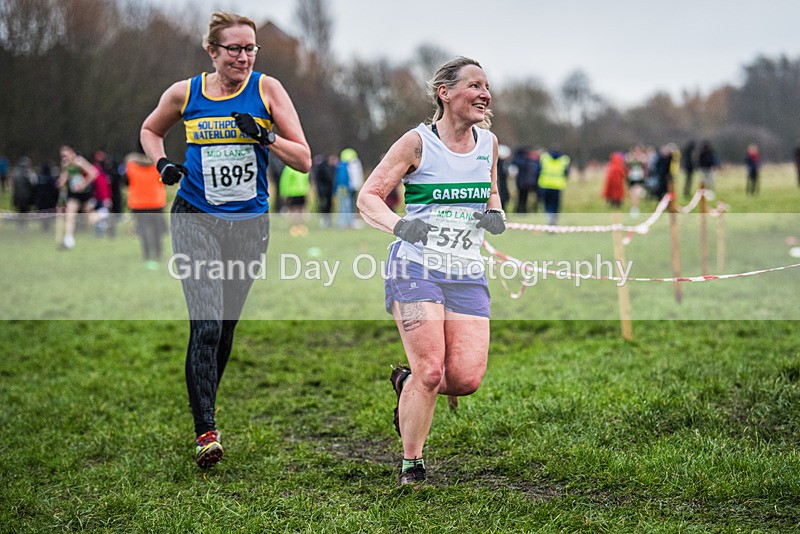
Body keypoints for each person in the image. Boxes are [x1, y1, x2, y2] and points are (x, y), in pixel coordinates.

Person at [139, 11, 311, 468]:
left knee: (227, 326)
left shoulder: (268, 90)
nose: (243, 56)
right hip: (195, 217)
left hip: (249, 224)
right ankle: (206, 432)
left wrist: (266, 136)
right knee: (207, 324)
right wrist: (162, 165)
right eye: (233, 48)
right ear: (212, 51)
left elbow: (304, 160)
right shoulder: (185, 93)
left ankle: (204, 408)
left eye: (250, 48)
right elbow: (150, 130)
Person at [357, 56, 506, 487]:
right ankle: (412, 465)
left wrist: (494, 213)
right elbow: (370, 196)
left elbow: (491, 191)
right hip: (415, 267)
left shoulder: (488, 144)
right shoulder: (417, 143)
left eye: (487, 87)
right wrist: (401, 224)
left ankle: (406, 384)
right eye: (475, 86)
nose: (485, 94)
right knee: (432, 371)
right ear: (445, 92)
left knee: (465, 378)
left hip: (466, 270)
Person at [123, 150, 167, 269]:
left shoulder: (130, 166)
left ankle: (147, 254)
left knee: (143, 230)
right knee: (157, 231)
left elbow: (126, 181)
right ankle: (158, 253)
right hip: (156, 201)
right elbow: (162, 180)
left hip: (138, 203)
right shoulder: (157, 165)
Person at [55, 145, 98, 250]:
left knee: (91, 218)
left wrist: (83, 184)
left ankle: (102, 215)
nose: (64, 158)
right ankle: (68, 240)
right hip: (73, 195)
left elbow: (93, 173)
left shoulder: (79, 162)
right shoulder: (66, 166)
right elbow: (61, 183)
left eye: (66, 155)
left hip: (85, 193)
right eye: (62, 156)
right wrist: (63, 176)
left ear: (71, 153)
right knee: (70, 216)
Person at [538, 145, 570, 226]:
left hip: (545, 184)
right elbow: (566, 173)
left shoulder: (544, 158)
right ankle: (554, 219)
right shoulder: (564, 159)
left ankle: (549, 218)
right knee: (555, 204)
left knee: (547, 204)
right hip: (557, 185)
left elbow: (538, 170)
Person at [279, 164, 310, 236]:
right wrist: (284, 192)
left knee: (302, 210)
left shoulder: (304, 167)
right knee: (294, 210)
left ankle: (301, 226)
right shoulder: (289, 168)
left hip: (302, 192)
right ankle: (294, 226)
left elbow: (306, 181)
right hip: (292, 192)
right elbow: (285, 181)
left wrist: (307, 190)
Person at [12, 156, 37, 230]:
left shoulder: (16, 173)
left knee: (20, 212)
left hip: (17, 197)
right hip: (26, 197)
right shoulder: (28, 173)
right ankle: (23, 226)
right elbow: (34, 182)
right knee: (25, 212)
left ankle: (20, 226)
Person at [314, 154, 336, 228]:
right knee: (324, 205)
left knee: (328, 205)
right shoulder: (324, 168)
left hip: (327, 191)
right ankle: (325, 220)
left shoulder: (330, 168)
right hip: (324, 191)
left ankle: (327, 221)